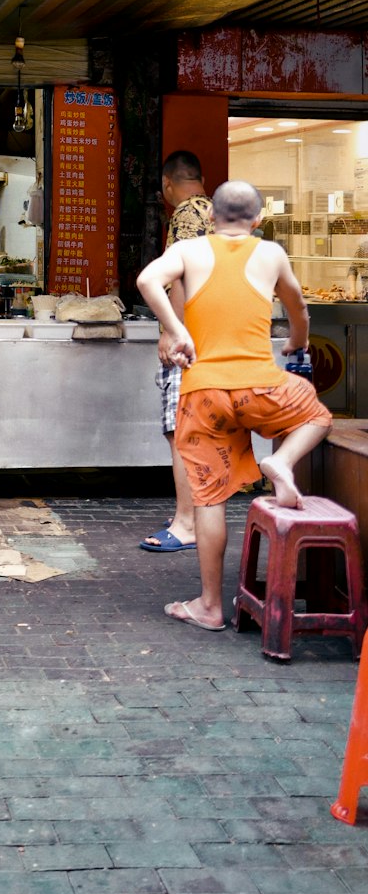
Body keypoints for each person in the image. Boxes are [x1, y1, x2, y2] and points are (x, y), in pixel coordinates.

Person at [136, 179, 332, 632]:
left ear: (209, 217)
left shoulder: (189, 251)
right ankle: (280, 461)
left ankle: (208, 605)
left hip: (203, 394)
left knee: (209, 498)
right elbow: (299, 307)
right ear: (258, 220)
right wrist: (297, 345)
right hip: (260, 387)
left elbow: (148, 280)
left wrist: (177, 330)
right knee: (318, 415)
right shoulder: (271, 253)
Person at [139, 151, 213, 553]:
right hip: (214, 335)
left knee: (180, 431)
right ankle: (196, 514)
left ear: (168, 184)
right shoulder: (219, 211)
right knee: (198, 432)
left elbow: (181, 274)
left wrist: (172, 330)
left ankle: (186, 523)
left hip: (191, 339)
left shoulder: (185, 214)